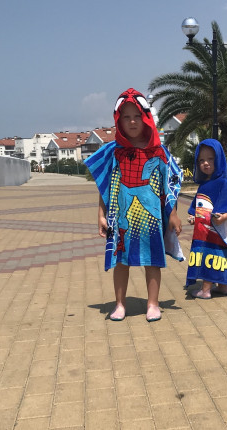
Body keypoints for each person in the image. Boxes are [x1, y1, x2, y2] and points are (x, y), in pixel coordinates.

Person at [85, 88, 183, 322]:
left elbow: (169, 186)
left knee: (153, 260)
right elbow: (105, 186)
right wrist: (101, 214)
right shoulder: (114, 152)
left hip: (151, 219)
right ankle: (120, 304)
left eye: (137, 116)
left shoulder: (158, 152)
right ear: (118, 120)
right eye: (126, 117)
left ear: (146, 117)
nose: (132, 121)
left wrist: (173, 214)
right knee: (121, 261)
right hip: (121, 219)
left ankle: (153, 303)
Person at [186, 139, 227, 299]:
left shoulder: (223, 183)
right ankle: (223, 286)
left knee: (211, 257)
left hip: (216, 231)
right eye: (201, 160)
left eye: (210, 159)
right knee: (219, 257)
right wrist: (193, 217)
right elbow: (198, 205)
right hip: (202, 231)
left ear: (219, 159)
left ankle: (205, 290)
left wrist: (224, 217)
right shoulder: (203, 185)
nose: (205, 163)